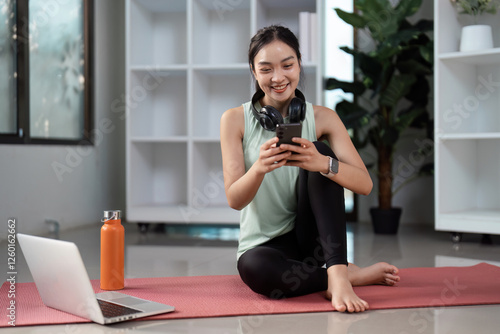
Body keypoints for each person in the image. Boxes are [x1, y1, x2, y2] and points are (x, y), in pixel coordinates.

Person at [220, 25, 400, 313]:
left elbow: (365, 185)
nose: (278, 78)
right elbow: (234, 199)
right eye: (266, 69)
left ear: (299, 65)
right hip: (265, 246)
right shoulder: (234, 120)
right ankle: (348, 275)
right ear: (254, 72)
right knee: (256, 271)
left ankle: (337, 274)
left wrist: (323, 164)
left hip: (312, 242)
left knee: (325, 154)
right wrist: (258, 169)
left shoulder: (324, 118)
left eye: (287, 65)